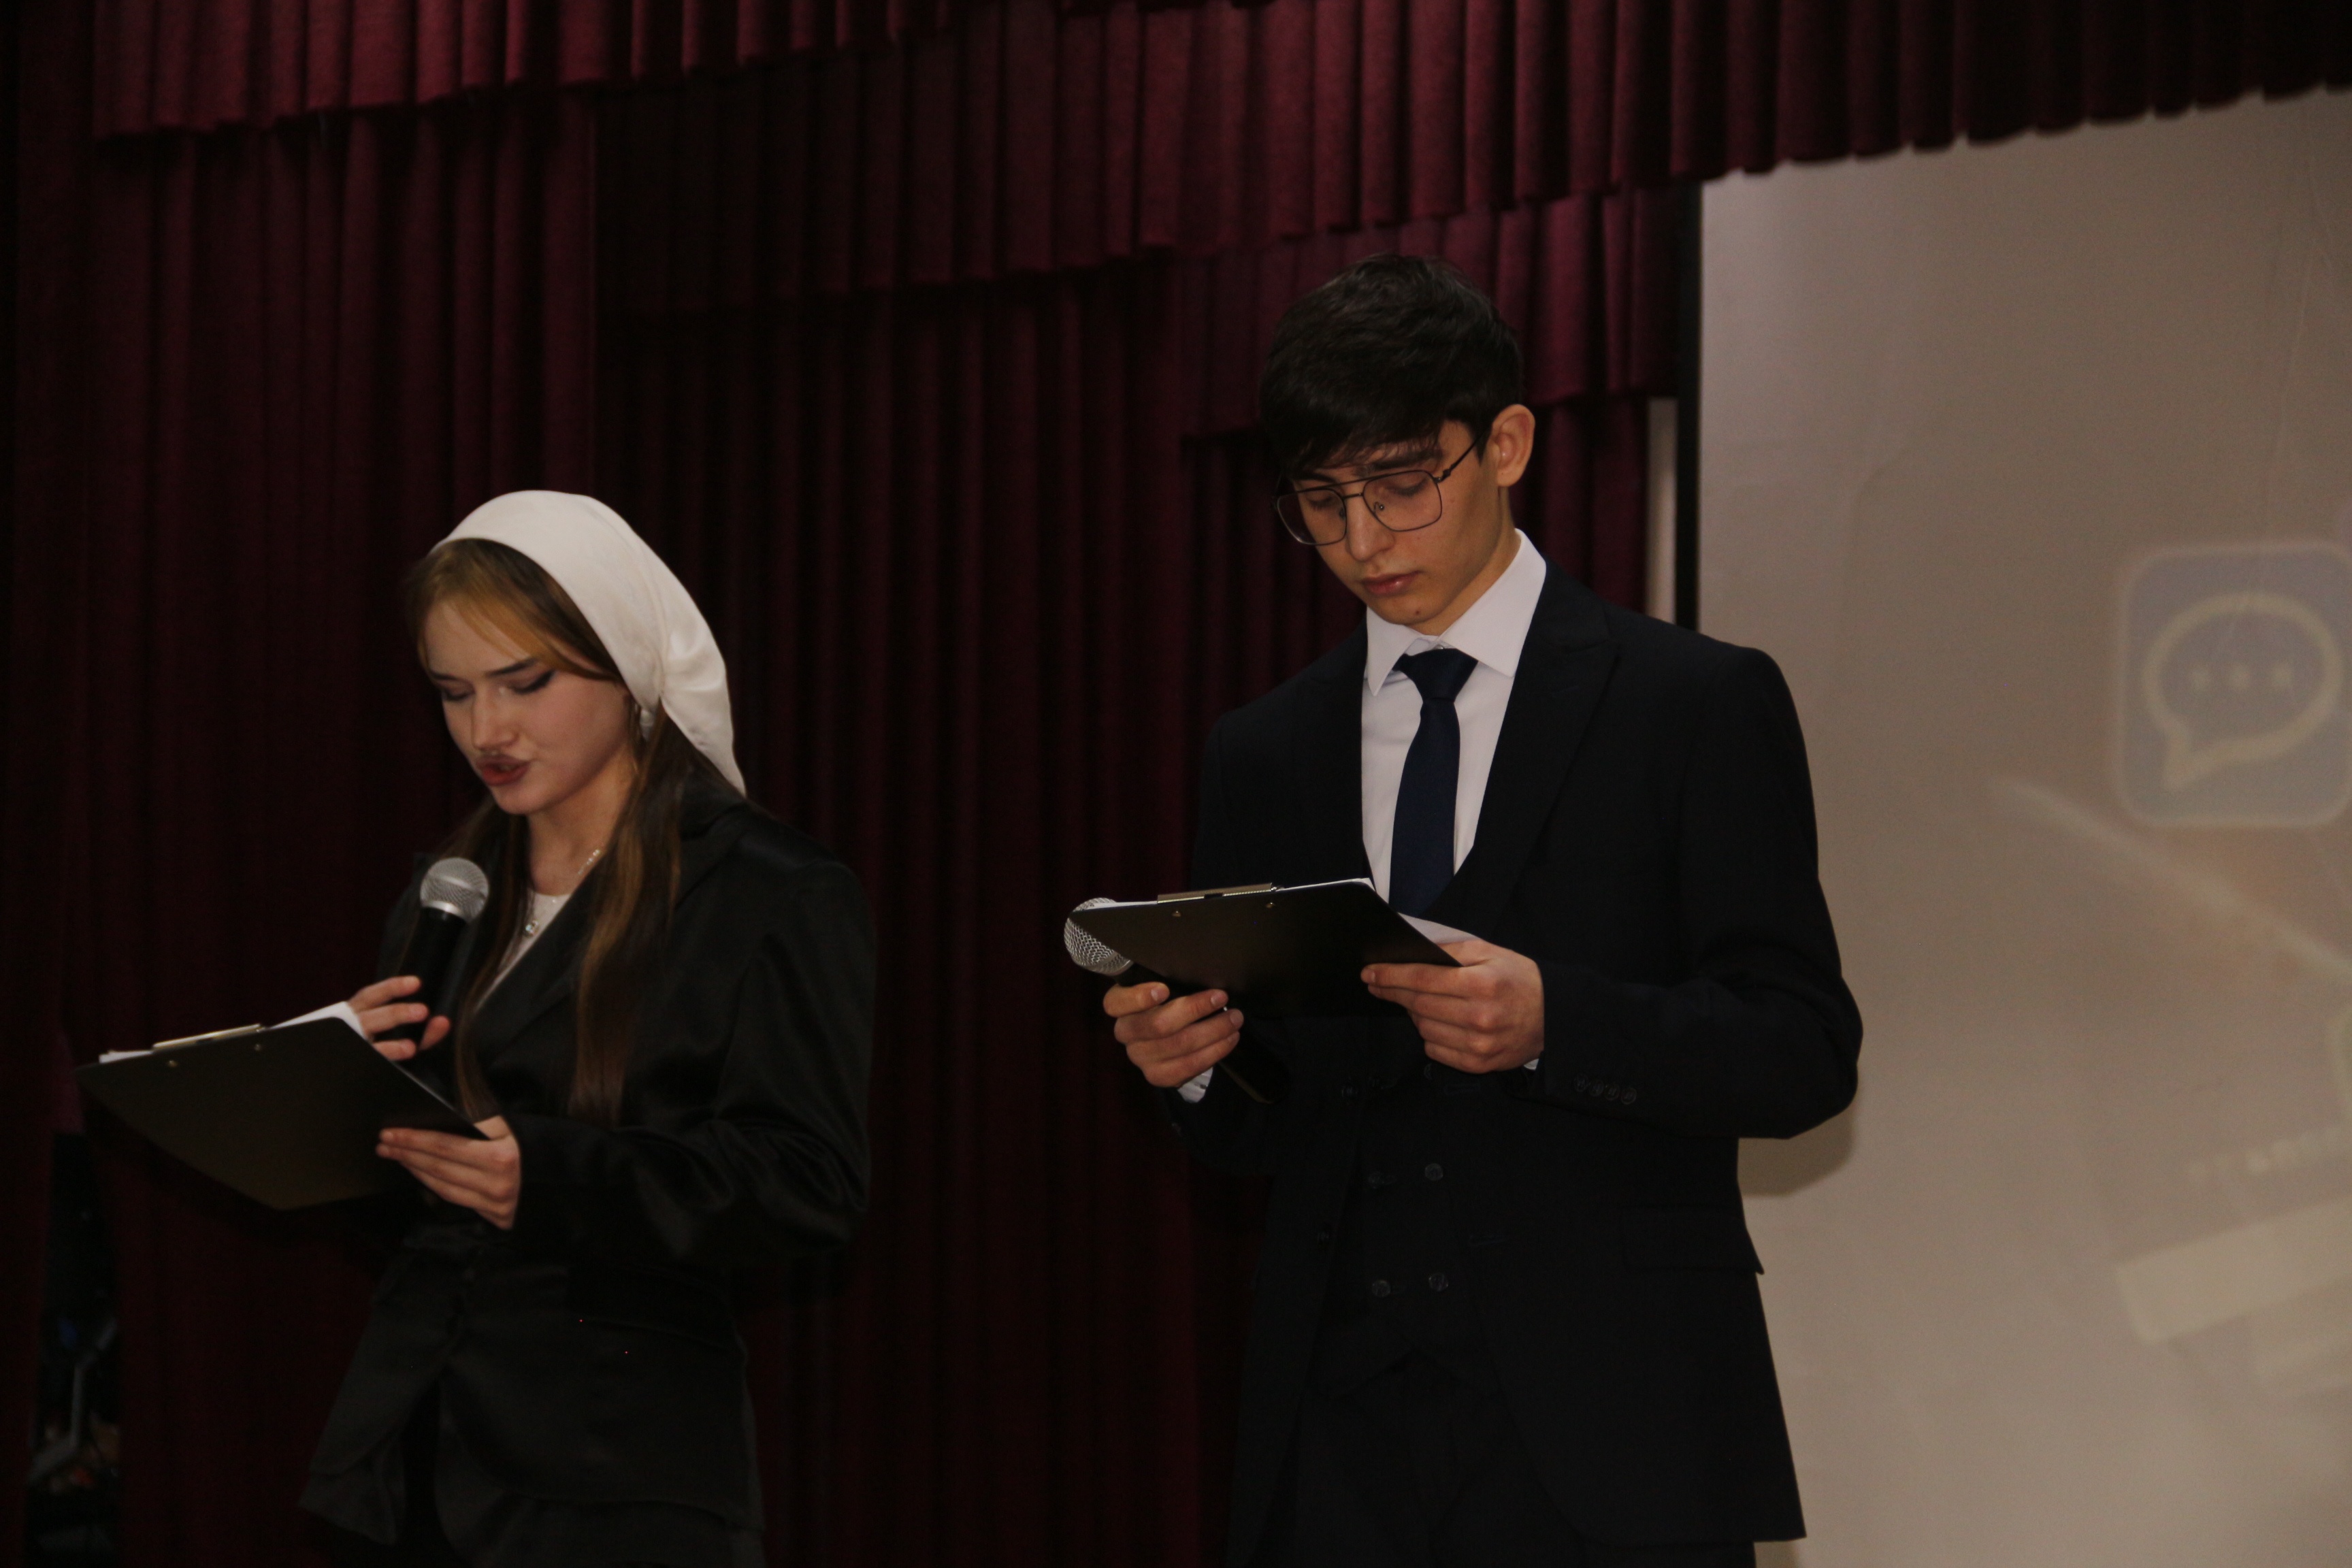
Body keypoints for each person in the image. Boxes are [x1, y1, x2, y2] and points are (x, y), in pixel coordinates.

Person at [1106, 256, 1861, 1568]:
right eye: (1322, 502)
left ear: (1506, 443)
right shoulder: (1263, 751)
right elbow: (1266, 1123)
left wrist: (1558, 1023)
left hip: (1619, 1430)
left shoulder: (1691, 702)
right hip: (1337, 1444)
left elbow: (1801, 1049)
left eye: (1402, 484)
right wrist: (1198, 1070)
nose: (1364, 541)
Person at [301, 491, 875, 1567]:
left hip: (623, 1472)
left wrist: (552, 1176)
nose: (488, 730)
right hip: (411, 1460)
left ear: (629, 666)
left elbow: (810, 1182)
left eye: (526, 683)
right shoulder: (450, 888)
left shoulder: (766, 890)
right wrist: (335, 1111)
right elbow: (405, 1201)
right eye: (454, 693)